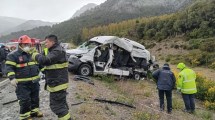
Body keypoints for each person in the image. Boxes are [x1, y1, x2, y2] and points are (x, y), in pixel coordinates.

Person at [32, 35, 71, 120]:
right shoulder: (50, 50)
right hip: (56, 83)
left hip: (58, 84)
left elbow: (45, 60)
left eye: (47, 42)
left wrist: (34, 55)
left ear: (53, 42)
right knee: (61, 105)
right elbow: (42, 59)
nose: (45, 44)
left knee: (57, 107)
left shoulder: (58, 51)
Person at [5, 35, 43, 120]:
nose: (27, 46)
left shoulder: (32, 54)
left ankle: (34, 112)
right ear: (20, 44)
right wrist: (12, 78)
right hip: (22, 84)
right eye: (25, 44)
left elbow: (40, 65)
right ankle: (25, 116)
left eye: (28, 44)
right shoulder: (13, 55)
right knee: (25, 100)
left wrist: (44, 72)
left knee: (35, 98)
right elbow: (9, 67)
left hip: (34, 82)